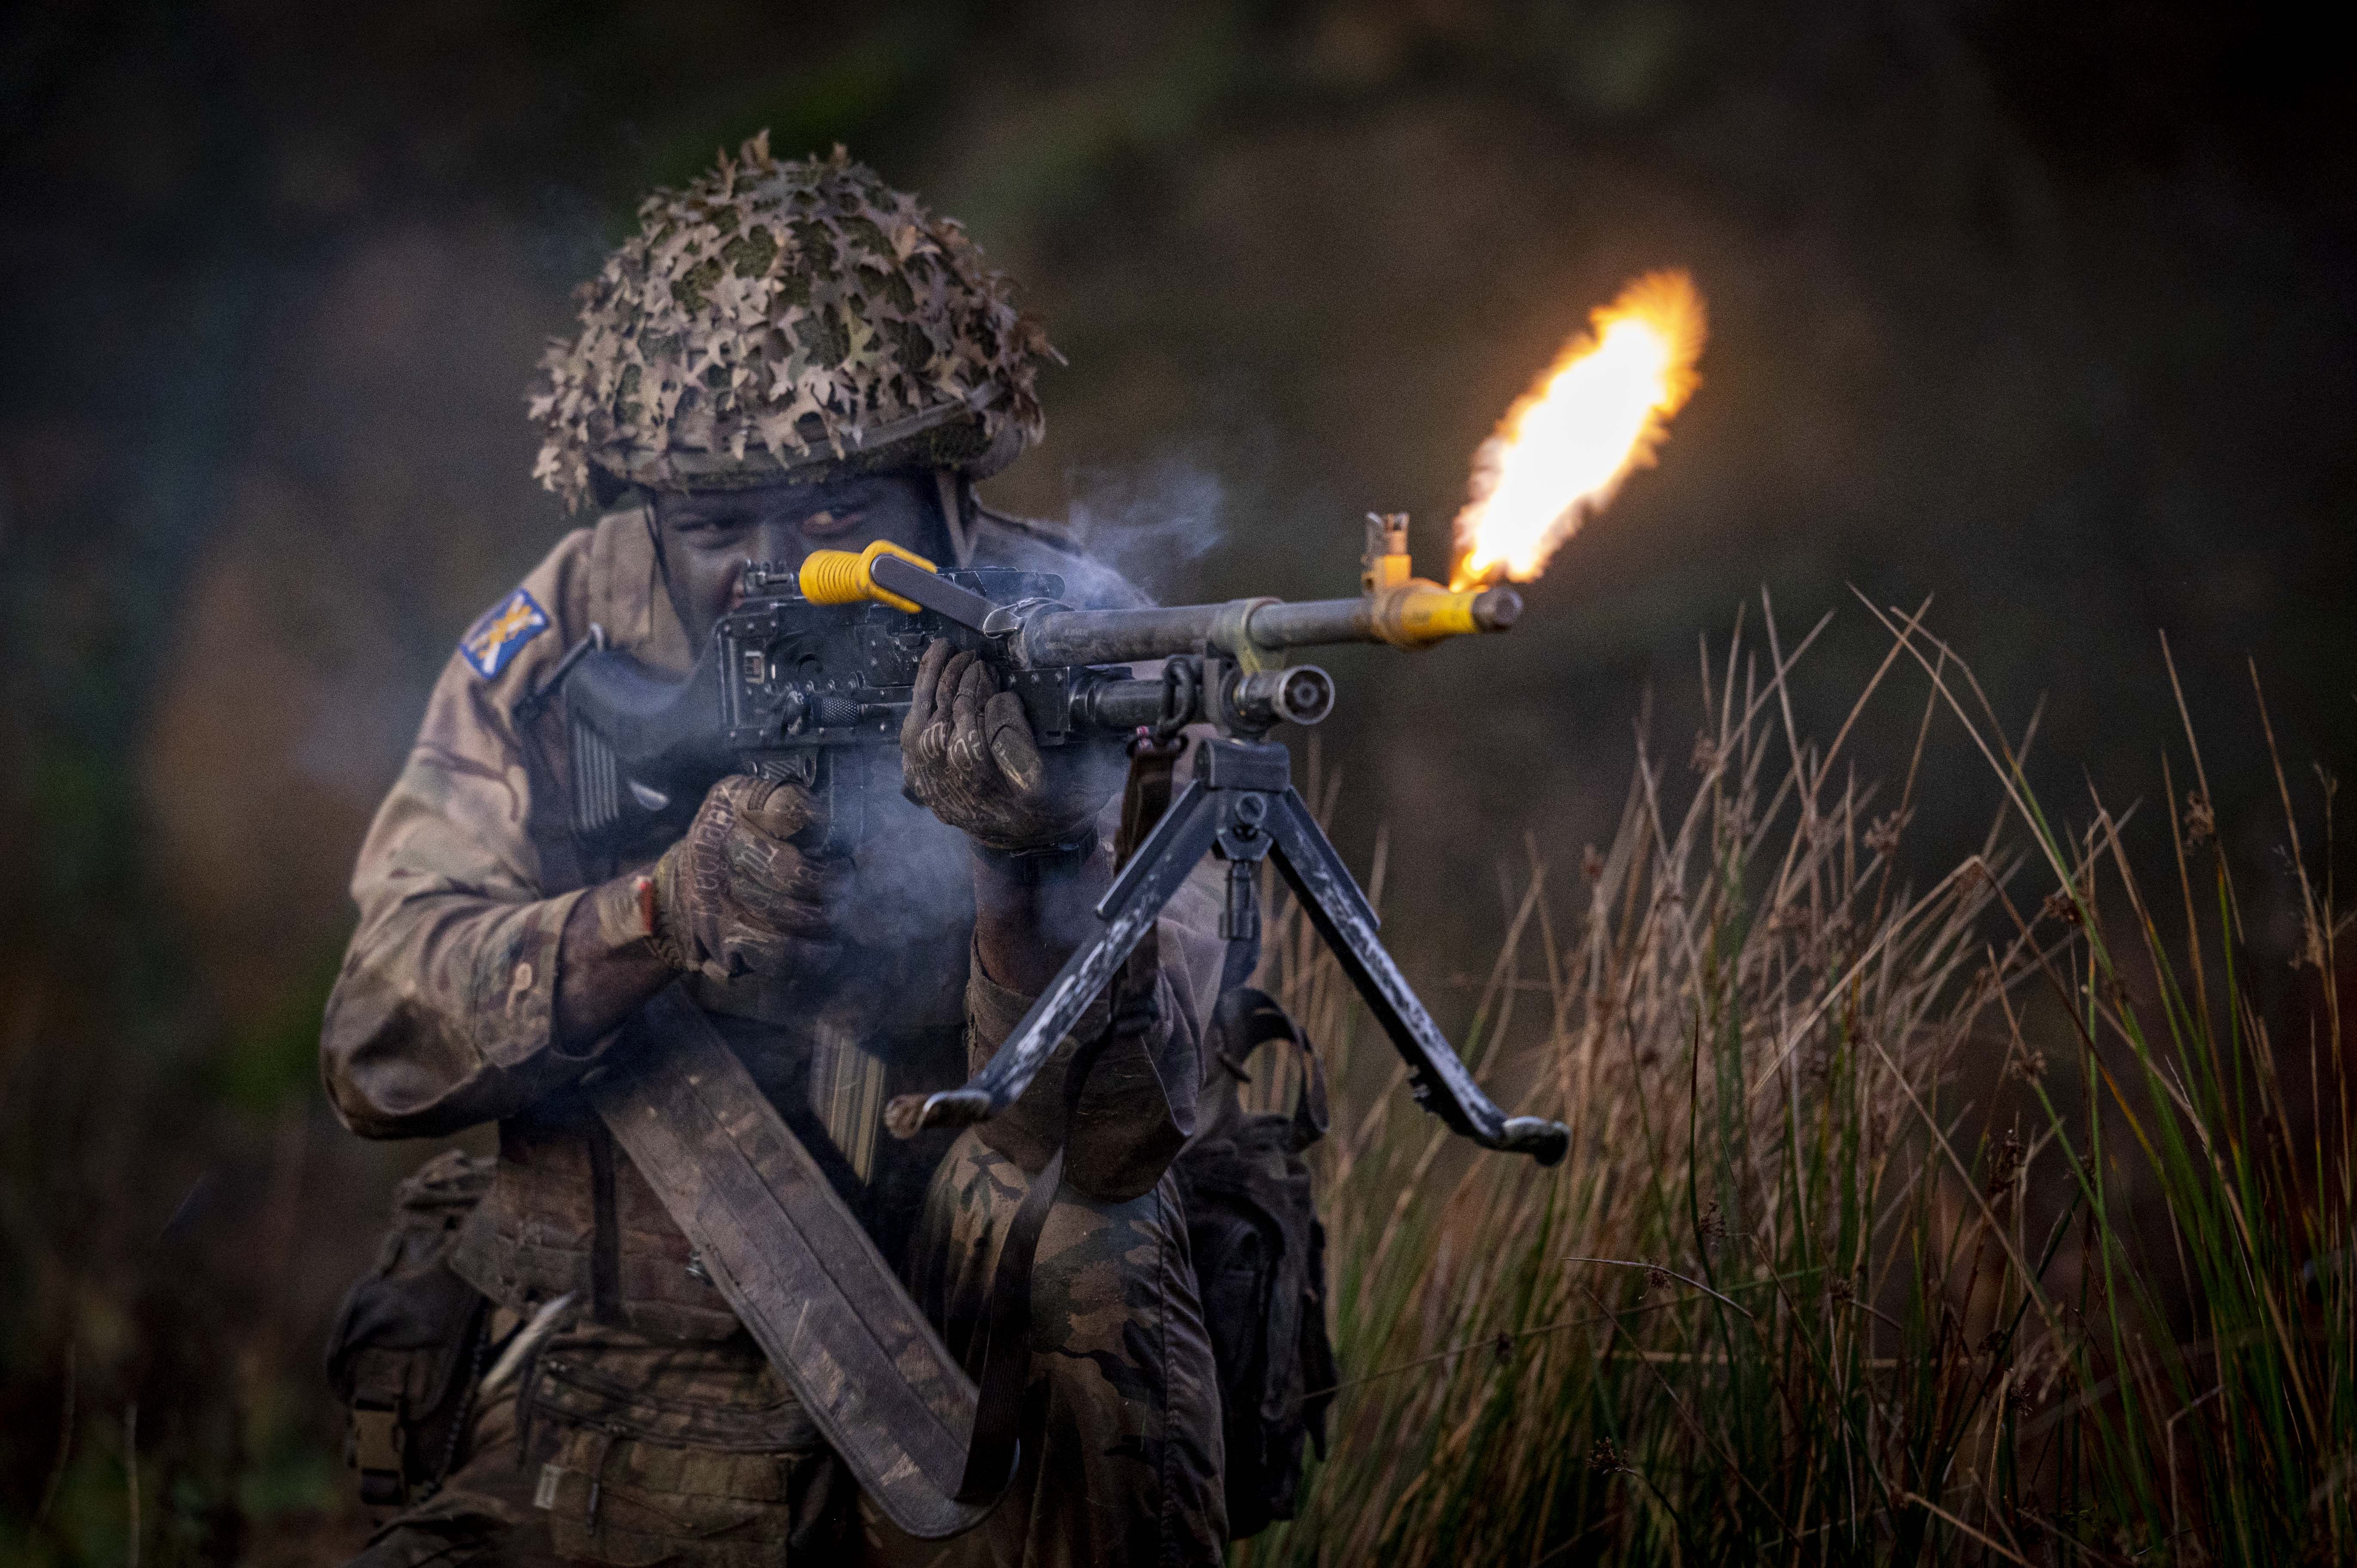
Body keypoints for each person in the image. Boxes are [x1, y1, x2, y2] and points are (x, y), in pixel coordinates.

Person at [321, 135, 1228, 1567]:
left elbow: (1117, 1146)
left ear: (944, 494)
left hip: (971, 1381)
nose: (774, 570)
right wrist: (652, 914)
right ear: (642, 511)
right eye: (713, 522)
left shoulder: (1074, 644)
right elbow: (378, 1037)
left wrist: (1031, 876)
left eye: (833, 513)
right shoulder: (565, 639)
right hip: (624, 1360)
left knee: (1095, 1249)